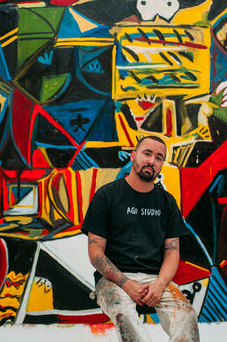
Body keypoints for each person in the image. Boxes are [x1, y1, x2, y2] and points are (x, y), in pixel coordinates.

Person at [81, 136, 200, 342]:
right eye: (147, 153)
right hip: (113, 280)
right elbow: (95, 253)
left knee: (187, 316)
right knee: (124, 315)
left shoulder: (167, 202)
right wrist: (126, 284)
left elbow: (172, 253)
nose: (152, 161)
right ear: (133, 156)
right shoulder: (107, 196)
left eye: (159, 157)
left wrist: (160, 284)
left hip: (156, 279)